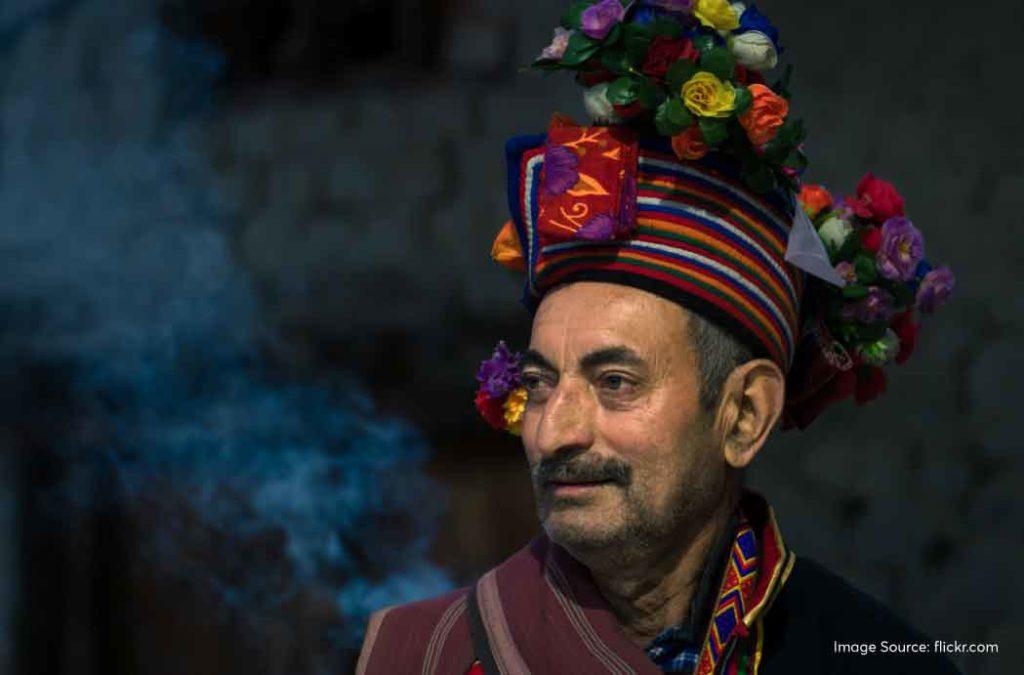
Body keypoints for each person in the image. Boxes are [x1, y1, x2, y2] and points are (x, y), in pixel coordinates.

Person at [357, 1, 959, 673]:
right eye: (539, 382)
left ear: (744, 413)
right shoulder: (421, 657)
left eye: (615, 381)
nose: (554, 433)